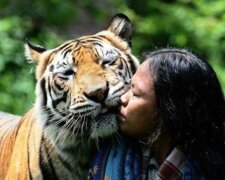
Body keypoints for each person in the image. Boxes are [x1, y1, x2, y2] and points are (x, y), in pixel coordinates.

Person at [117, 47, 225, 179]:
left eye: (135, 94)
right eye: (129, 87)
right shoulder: (115, 156)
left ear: (168, 110)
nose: (122, 98)